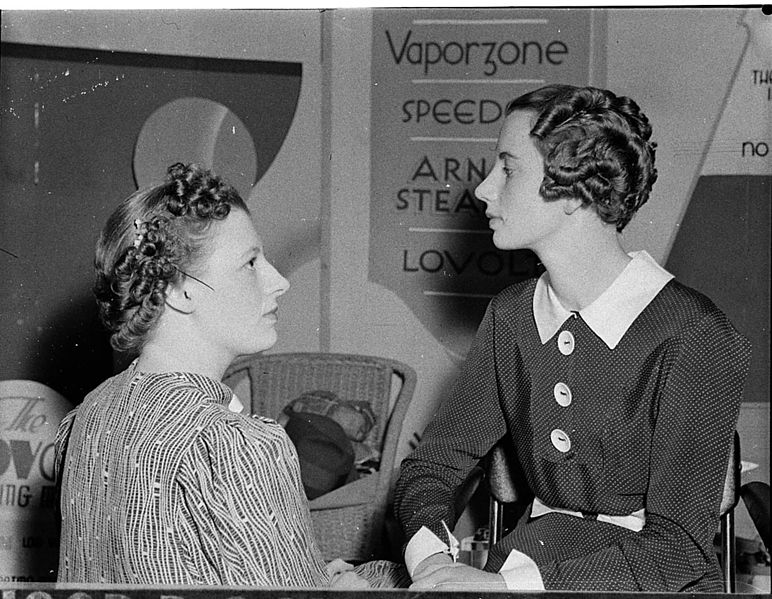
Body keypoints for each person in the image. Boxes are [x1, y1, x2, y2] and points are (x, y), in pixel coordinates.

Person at [393, 84, 751, 592]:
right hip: (518, 567)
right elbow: (430, 469)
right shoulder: (512, 315)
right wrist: (431, 557)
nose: (484, 190)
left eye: (509, 169)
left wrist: (507, 587)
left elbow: (676, 552)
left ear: (571, 191)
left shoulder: (696, 336)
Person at [54, 163, 404, 588]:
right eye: (250, 263)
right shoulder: (238, 444)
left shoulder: (88, 417)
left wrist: (311, 576)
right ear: (178, 290)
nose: (278, 282)